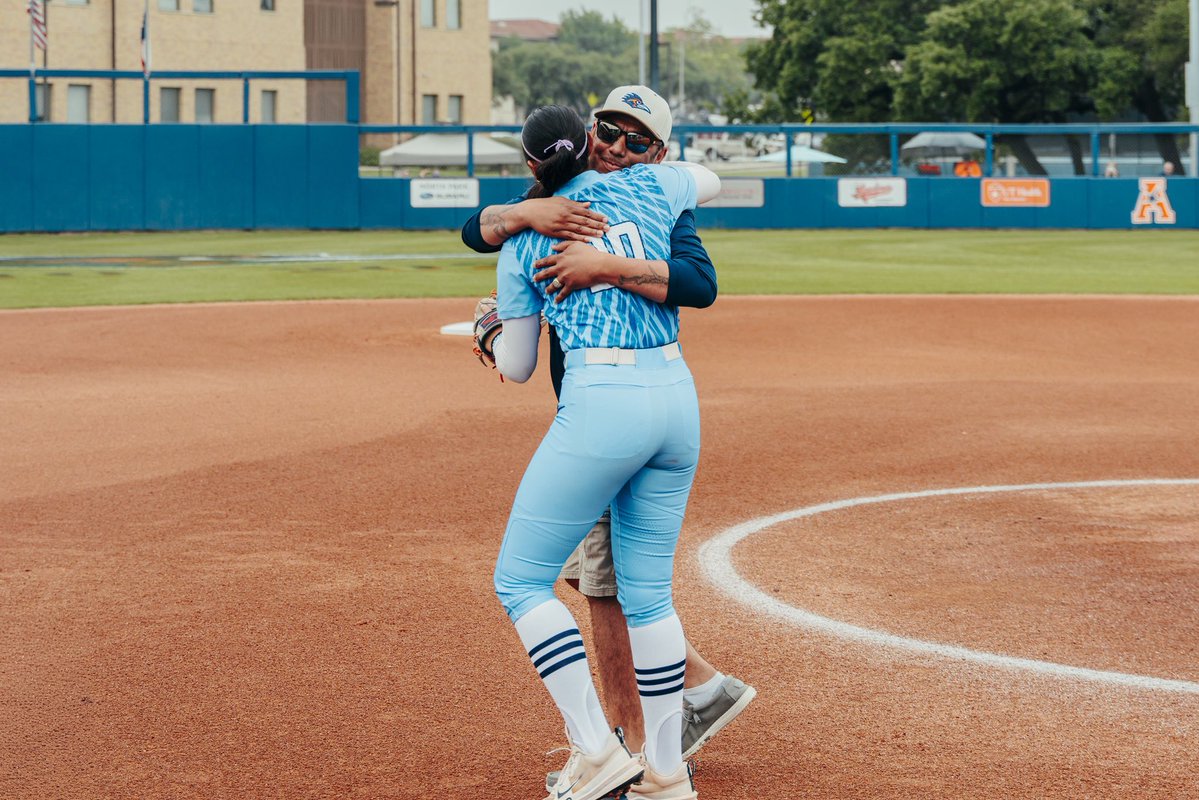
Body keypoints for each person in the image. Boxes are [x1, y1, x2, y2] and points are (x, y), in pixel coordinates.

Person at [461, 86, 754, 768]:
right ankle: (681, 729)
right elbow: (475, 229)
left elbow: (700, 284)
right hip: (662, 401)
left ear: (657, 151)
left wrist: (602, 267)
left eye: (635, 140)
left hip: (600, 414)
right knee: (625, 587)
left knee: (592, 584)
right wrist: (521, 211)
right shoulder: (647, 191)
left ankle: (620, 743)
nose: (617, 147)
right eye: (607, 131)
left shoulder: (656, 199)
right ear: (587, 132)